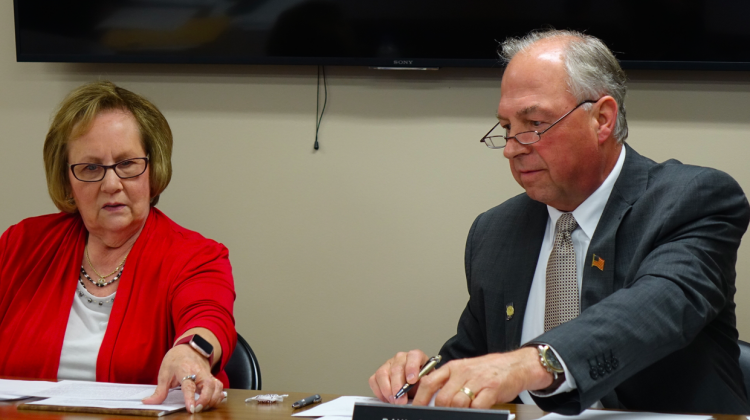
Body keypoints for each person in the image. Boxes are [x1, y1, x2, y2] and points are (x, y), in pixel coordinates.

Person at [370, 29, 750, 415]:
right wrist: (423, 380)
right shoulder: (495, 231)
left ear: (601, 119)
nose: (514, 148)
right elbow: (477, 361)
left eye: (533, 123)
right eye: (506, 128)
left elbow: (657, 307)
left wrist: (532, 363)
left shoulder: (692, 199)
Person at [0, 81, 237, 414]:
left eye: (127, 164)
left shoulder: (195, 256)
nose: (111, 184)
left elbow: (209, 318)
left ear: (153, 171)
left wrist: (191, 352)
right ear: (68, 181)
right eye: (91, 168)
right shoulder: (21, 245)